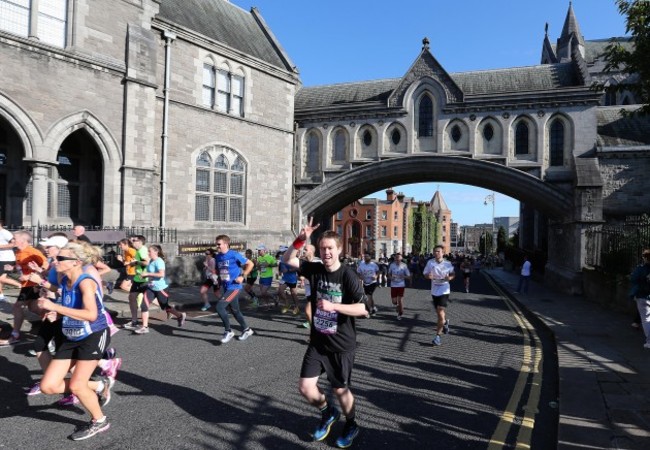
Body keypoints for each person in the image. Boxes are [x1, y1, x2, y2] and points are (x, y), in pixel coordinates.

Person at [283, 219, 368, 448]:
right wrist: (301, 239)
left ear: (339, 250)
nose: (326, 252)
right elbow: (287, 260)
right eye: (323, 248)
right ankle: (328, 412)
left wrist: (335, 307)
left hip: (341, 345)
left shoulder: (347, 275)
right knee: (305, 387)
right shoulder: (315, 269)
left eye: (330, 248)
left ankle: (351, 423)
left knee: (340, 389)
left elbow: (363, 309)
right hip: (318, 342)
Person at [36, 242, 114, 441]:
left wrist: (56, 306)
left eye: (60, 258)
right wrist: (56, 313)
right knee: (48, 386)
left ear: (76, 262)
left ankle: (99, 420)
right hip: (72, 334)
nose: (55, 261)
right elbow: (71, 307)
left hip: (93, 334)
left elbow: (90, 314)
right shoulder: (64, 280)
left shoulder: (85, 282)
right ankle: (99, 385)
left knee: (78, 386)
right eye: (56, 258)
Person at [3, 230, 47, 344]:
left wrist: (30, 276)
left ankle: (15, 335)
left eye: (14, 238)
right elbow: (20, 267)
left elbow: (46, 268)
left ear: (23, 240)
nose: (12, 240)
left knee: (17, 306)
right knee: (34, 307)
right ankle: (51, 322)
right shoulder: (18, 252)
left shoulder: (33, 252)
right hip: (26, 285)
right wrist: (12, 268)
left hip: (33, 285)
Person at [132, 245, 186, 334]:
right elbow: (150, 273)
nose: (148, 253)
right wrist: (145, 274)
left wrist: (147, 274)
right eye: (148, 251)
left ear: (156, 252)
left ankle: (180, 315)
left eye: (149, 251)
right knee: (144, 305)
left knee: (164, 307)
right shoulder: (151, 261)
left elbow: (161, 274)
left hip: (161, 288)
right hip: (151, 287)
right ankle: (144, 327)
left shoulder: (159, 261)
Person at [214, 235, 254, 343]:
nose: (217, 246)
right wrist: (218, 282)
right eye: (216, 244)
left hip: (234, 287)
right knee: (235, 311)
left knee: (219, 307)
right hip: (226, 287)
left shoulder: (234, 255)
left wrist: (243, 275)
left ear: (226, 244)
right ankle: (247, 329)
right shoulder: (217, 257)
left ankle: (228, 331)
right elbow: (220, 271)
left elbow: (250, 263)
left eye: (219, 244)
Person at [423, 245, 455, 347]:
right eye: (435, 251)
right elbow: (425, 274)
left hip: (444, 290)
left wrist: (449, 278)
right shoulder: (430, 263)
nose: (436, 253)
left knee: (440, 312)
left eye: (438, 251)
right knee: (439, 313)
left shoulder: (447, 263)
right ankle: (445, 323)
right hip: (434, 290)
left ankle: (437, 337)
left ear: (443, 253)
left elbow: (453, 274)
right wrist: (428, 276)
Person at [123, 235, 149, 330]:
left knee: (149, 302)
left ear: (140, 242)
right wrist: (132, 263)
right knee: (132, 297)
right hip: (138, 279)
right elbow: (139, 262)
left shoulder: (142, 250)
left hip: (145, 280)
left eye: (133, 241)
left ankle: (175, 312)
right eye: (131, 241)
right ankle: (134, 321)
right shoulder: (138, 251)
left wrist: (136, 262)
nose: (131, 242)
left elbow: (147, 262)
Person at [629, 249, 650, 350]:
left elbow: (633, 279)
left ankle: (649, 341)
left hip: (643, 296)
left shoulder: (641, 269)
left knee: (646, 319)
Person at [387, 253, 411, 320]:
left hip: (401, 285)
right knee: (394, 302)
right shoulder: (392, 265)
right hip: (393, 285)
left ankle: (400, 313)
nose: (397, 259)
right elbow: (388, 274)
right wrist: (390, 278)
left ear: (401, 259)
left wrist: (403, 276)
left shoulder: (404, 266)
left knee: (400, 300)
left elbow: (409, 276)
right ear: (394, 259)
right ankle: (397, 305)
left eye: (399, 258)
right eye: (396, 258)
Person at [256, 244, 277, 309]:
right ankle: (268, 304)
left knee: (264, 292)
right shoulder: (259, 258)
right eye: (258, 250)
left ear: (264, 250)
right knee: (263, 294)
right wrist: (258, 265)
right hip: (261, 276)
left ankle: (273, 297)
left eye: (260, 250)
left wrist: (269, 265)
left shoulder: (270, 257)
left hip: (268, 277)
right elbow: (259, 268)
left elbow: (275, 264)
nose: (258, 252)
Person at [0, 219, 15, 301]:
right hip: (1, 258)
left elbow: (14, 243)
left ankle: (20, 285)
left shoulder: (5, 233)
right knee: (1, 278)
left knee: (1, 278)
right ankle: (1, 295)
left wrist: (1, 246)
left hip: (7, 258)